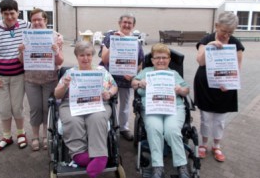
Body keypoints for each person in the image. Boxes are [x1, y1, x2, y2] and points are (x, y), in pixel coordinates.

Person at [54, 41, 118, 178]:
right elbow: (57, 95)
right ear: (77, 56)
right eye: (82, 55)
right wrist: (64, 85)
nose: (85, 58)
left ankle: (100, 155)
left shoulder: (101, 71)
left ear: (93, 56)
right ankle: (79, 154)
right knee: (73, 120)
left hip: (96, 103)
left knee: (97, 118)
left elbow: (114, 86)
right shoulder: (70, 73)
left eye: (88, 55)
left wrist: (109, 93)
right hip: (71, 104)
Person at [131, 43, 190, 178]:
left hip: (174, 108)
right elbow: (133, 83)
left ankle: (181, 166)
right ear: (152, 60)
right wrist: (140, 83)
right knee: (154, 129)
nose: (161, 60)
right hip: (152, 108)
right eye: (157, 58)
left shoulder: (173, 73)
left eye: (164, 57)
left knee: (172, 130)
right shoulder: (146, 71)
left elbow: (186, 90)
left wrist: (180, 90)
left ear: (169, 59)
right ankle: (158, 166)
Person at [194, 11, 245, 162]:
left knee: (220, 119)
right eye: (223, 31)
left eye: (230, 32)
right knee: (205, 117)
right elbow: (201, 62)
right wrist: (209, 46)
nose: (226, 35)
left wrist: (229, 83)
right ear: (217, 26)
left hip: (225, 87)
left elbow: (238, 67)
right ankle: (203, 145)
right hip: (206, 86)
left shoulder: (236, 44)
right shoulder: (206, 40)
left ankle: (217, 146)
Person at [0, 0, 31, 153]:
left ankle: (21, 133)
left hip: (19, 75)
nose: (10, 17)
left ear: (18, 12)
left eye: (12, 13)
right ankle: (6, 137)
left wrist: (57, 37)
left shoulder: (26, 26)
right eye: (6, 14)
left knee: (17, 107)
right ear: (1, 14)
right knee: (4, 109)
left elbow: (42, 32)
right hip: (1, 77)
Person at [18, 8, 64, 151]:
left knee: (47, 108)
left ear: (45, 21)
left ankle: (46, 136)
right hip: (31, 80)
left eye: (39, 19)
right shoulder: (26, 36)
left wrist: (56, 50)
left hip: (50, 79)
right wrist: (21, 52)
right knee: (35, 109)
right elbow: (22, 62)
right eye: (34, 20)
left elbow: (60, 61)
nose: (37, 22)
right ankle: (35, 137)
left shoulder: (55, 36)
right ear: (31, 21)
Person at [100, 13, 144, 141]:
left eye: (130, 23)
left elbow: (140, 64)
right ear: (119, 23)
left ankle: (124, 128)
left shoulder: (136, 41)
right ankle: (107, 127)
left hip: (126, 79)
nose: (127, 25)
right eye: (124, 22)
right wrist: (115, 42)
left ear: (133, 25)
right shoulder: (110, 36)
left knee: (124, 105)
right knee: (107, 102)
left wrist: (133, 72)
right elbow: (104, 59)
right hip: (109, 77)